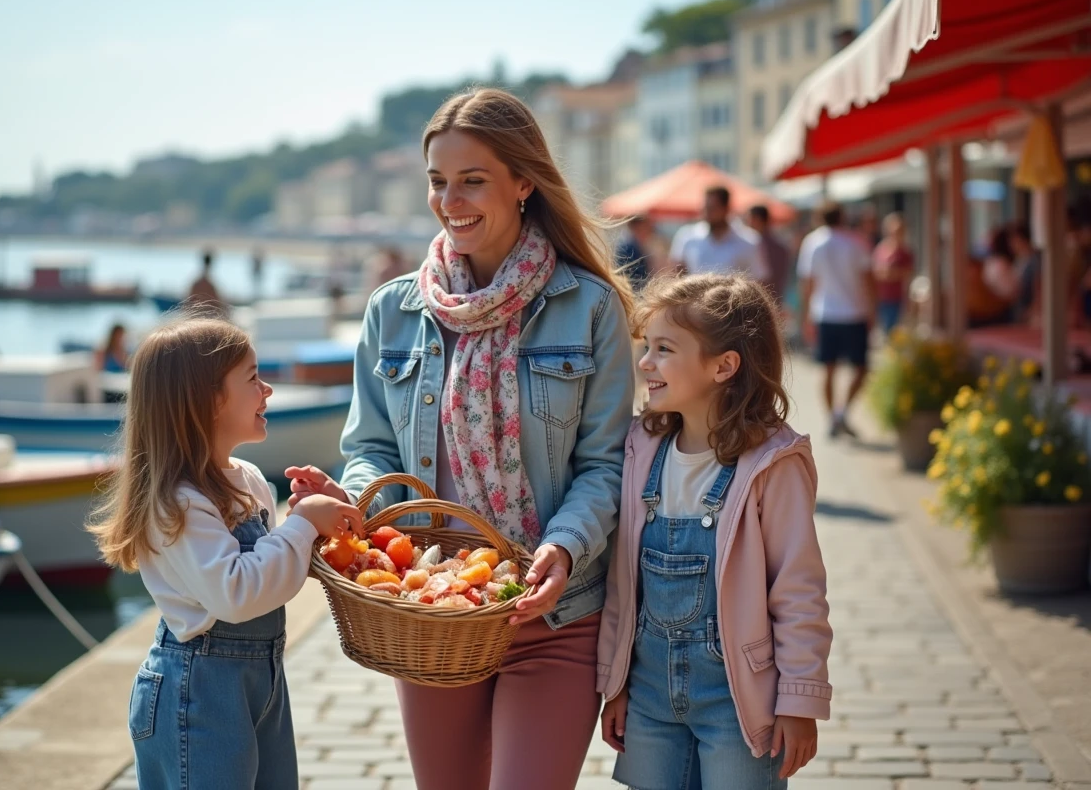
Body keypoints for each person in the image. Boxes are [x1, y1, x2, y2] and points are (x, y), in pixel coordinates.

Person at [285, 88, 636, 790]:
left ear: (524, 182)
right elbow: (372, 450)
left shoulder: (589, 308)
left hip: (553, 613)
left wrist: (563, 549)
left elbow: (606, 465)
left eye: (472, 179)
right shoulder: (393, 310)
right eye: (438, 182)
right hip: (433, 613)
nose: (451, 200)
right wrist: (353, 504)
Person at [88, 315, 362, 790]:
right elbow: (236, 593)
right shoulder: (178, 502)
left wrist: (328, 515)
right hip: (198, 692)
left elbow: (275, 571)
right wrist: (301, 524)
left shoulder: (249, 479)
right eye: (254, 378)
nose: (268, 389)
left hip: (261, 680)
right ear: (210, 401)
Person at [598, 273, 831, 789]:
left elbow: (798, 591)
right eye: (647, 347)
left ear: (724, 366)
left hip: (739, 702)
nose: (645, 363)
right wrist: (615, 685)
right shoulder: (640, 449)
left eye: (664, 349)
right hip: (650, 697)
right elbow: (622, 582)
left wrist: (799, 699)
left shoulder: (773, 464)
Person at [797, 202, 876, 439]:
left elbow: (807, 284)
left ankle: (834, 416)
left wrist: (806, 316)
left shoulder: (812, 242)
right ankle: (840, 414)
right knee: (860, 369)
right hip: (854, 312)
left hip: (826, 313)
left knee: (828, 369)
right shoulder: (856, 241)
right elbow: (869, 280)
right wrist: (873, 311)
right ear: (842, 216)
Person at [670, 187, 769, 283]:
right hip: (693, 299)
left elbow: (759, 279)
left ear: (726, 209)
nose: (706, 213)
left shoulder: (750, 241)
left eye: (712, 208)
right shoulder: (687, 236)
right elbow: (676, 273)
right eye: (705, 208)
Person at [871, 212, 915, 333]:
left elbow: (907, 273)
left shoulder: (905, 252)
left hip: (896, 298)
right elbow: (873, 270)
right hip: (879, 296)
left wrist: (888, 274)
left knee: (892, 330)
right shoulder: (881, 248)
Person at [745, 205, 791, 304]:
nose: (747, 224)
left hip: (761, 301)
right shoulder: (780, 247)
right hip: (770, 301)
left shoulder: (761, 245)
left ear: (757, 220)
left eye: (749, 219)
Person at [615, 216, 658, 293]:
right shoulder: (628, 248)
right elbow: (631, 278)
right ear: (638, 226)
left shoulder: (635, 245)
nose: (650, 229)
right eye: (646, 225)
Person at [188, 248, 225, 312]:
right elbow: (218, 304)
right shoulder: (210, 285)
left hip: (197, 315)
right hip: (207, 315)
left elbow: (188, 302)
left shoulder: (197, 283)